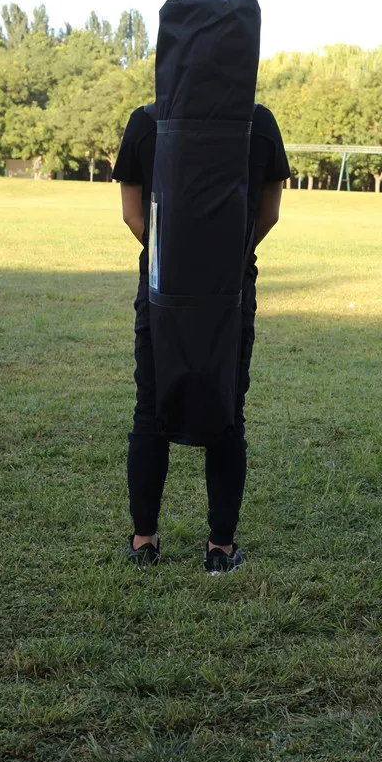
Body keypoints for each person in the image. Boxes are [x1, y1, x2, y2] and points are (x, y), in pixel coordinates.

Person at [112, 102, 290, 574]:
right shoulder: (258, 123)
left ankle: (144, 542)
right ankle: (220, 549)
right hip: (230, 290)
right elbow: (269, 213)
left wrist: (175, 259)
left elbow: (132, 214)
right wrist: (227, 258)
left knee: (150, 408)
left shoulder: (146, 122)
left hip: (161, 287)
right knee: (227, 408)